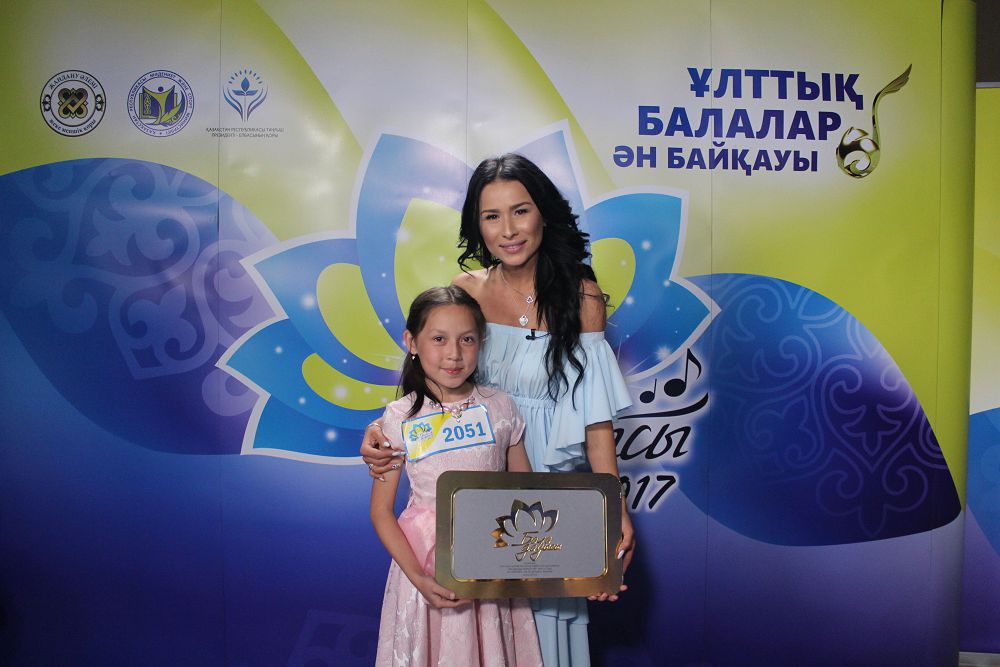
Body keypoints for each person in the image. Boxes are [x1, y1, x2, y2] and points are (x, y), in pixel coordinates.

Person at [364, 154, 635, 667]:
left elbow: (597, 420)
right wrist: (379, 429)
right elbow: (434, 389)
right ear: (477, 224)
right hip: (478, 495)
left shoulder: (583, 296)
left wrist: (613, 506)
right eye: (492, 216)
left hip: (549, 494)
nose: (508, 230)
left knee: (544, 634)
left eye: (520, 211)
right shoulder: (465, 292)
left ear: (543, 214)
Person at [370, 285, 542, 666]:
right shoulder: (398, 418)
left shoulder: (501, 408)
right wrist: (418, 578)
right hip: (425, 570)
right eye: (439, 339)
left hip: (491, 562)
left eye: (467, 339)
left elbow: (530, 496)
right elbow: (381, 511)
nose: (454, 353)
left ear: (481, 342)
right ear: (411, 343)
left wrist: (581, 567)